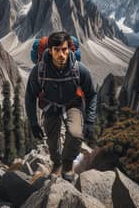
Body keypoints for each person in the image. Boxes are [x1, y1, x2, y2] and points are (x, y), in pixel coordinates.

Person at [25, 31, 97, 182]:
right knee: (52, 140)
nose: (61, 54)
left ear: (69, 49)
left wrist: (90, 121)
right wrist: (33, 123)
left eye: (64, 49)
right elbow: (30, 96)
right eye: (56, 50)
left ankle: (67, 162)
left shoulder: (79, 69)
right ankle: (57, 163)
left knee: (76, 134)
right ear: (49, 51)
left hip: (72, 104)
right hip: (51, 106)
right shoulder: (39, 71)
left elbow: (91, 94)